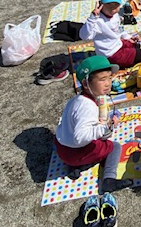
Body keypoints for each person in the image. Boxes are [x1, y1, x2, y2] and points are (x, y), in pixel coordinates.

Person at [54, 56, 133, 193]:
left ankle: (75, 167)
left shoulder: (77, 100)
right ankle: (109, 180)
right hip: (75, 152)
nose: (108, 83)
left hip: (62, 149)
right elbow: (80, 136)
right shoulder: (88, 107)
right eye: (102, 79)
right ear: (86, 84)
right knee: (114, 147)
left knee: (95, 138)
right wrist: (105, 127)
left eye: (109, 77)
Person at [80, 0, 141, 68]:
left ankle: (124, 58)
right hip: (109, 54)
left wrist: (127, 36)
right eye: (109, 5)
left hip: (117, 44)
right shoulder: (97, 21)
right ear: (101, 4)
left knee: (135, 45)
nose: (112, 9)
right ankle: (113, 64)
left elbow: (118, 29)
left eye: (116, 5)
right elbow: (84, 36)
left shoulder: (115, 15)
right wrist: (92, 18)